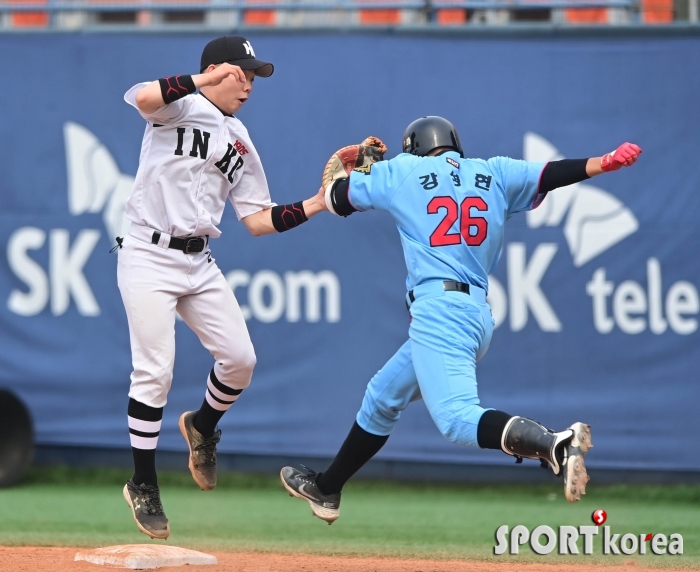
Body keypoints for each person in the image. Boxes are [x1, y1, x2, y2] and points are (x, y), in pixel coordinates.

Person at [280, 116, 642, 524]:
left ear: (413, 146)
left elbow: (337, 198)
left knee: (456, 419)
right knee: (383, 396)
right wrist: (603, 162)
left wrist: (354, 172)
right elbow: (551, 173)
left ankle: (554, 444)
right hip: (475, 315)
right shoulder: (494, 171)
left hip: (439, 312)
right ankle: (328, 488)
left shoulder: (402, 170)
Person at [118, 36, 325, 540]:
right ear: (215, 70)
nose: (250, 84)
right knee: (155, 372)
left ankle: (203, 427)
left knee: (241, 360)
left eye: (255, 76)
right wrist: (203, 80)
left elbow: (257, 219)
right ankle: (142, 483)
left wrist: (320, 202)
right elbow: (142, 96)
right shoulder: (177, 105)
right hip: (146, 253)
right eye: (242, 73)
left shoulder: (239, 139)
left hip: (198, 262)